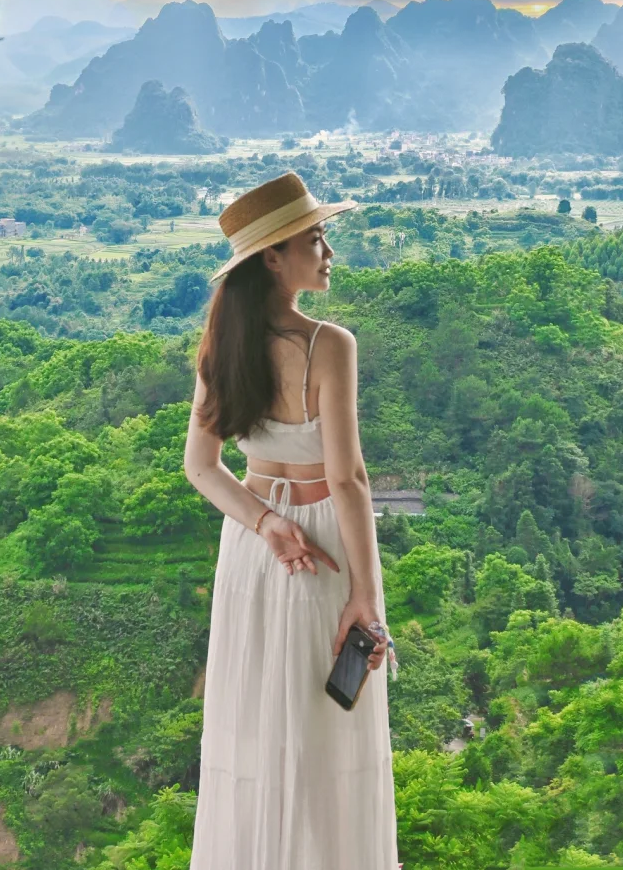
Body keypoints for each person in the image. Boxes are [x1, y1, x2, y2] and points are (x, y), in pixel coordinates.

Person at [183, 171, 400, 870]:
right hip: (325, 544)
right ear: (273, 257)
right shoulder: (328, 344)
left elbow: (202, 466)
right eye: (315, 237)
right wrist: (364, 595)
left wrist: (263, 524)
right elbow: (348, 478)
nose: (328, 249)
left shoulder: (223, 343)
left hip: (255, 552)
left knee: (256, 729)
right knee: (328, 733)